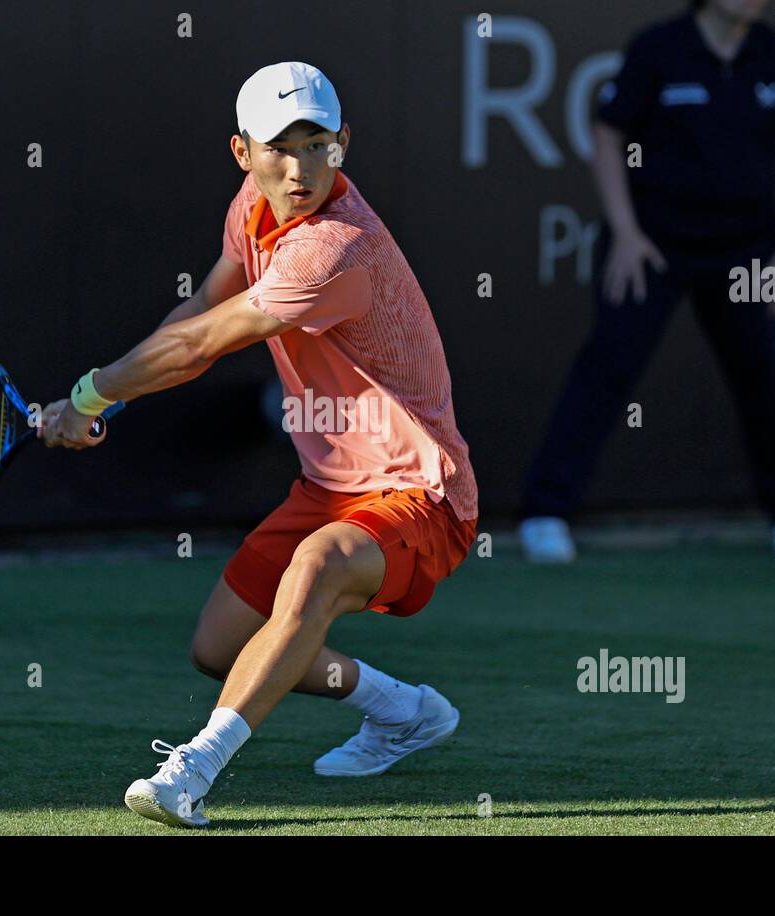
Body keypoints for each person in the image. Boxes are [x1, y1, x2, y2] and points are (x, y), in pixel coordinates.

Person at [39, 62, 478, 828]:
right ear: (243, 153)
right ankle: (403, 709)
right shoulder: (251, 208)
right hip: (330, 482)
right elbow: (200, 310)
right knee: (220, 645)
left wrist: (89, 395)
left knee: (318, 566)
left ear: (343, 144)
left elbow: (204, 341)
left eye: (317, 144)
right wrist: (95, 397)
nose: (299, 167)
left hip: (421, 490)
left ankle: (192, 769)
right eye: (279, 147)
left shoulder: (335, 248)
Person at [521, 0, 775, 563]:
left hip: (747, 248)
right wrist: (627, 231)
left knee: (763, 369)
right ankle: (546, 514)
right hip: (653, 245)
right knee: (609, 364)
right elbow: (609, 135)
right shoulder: (657, 48)